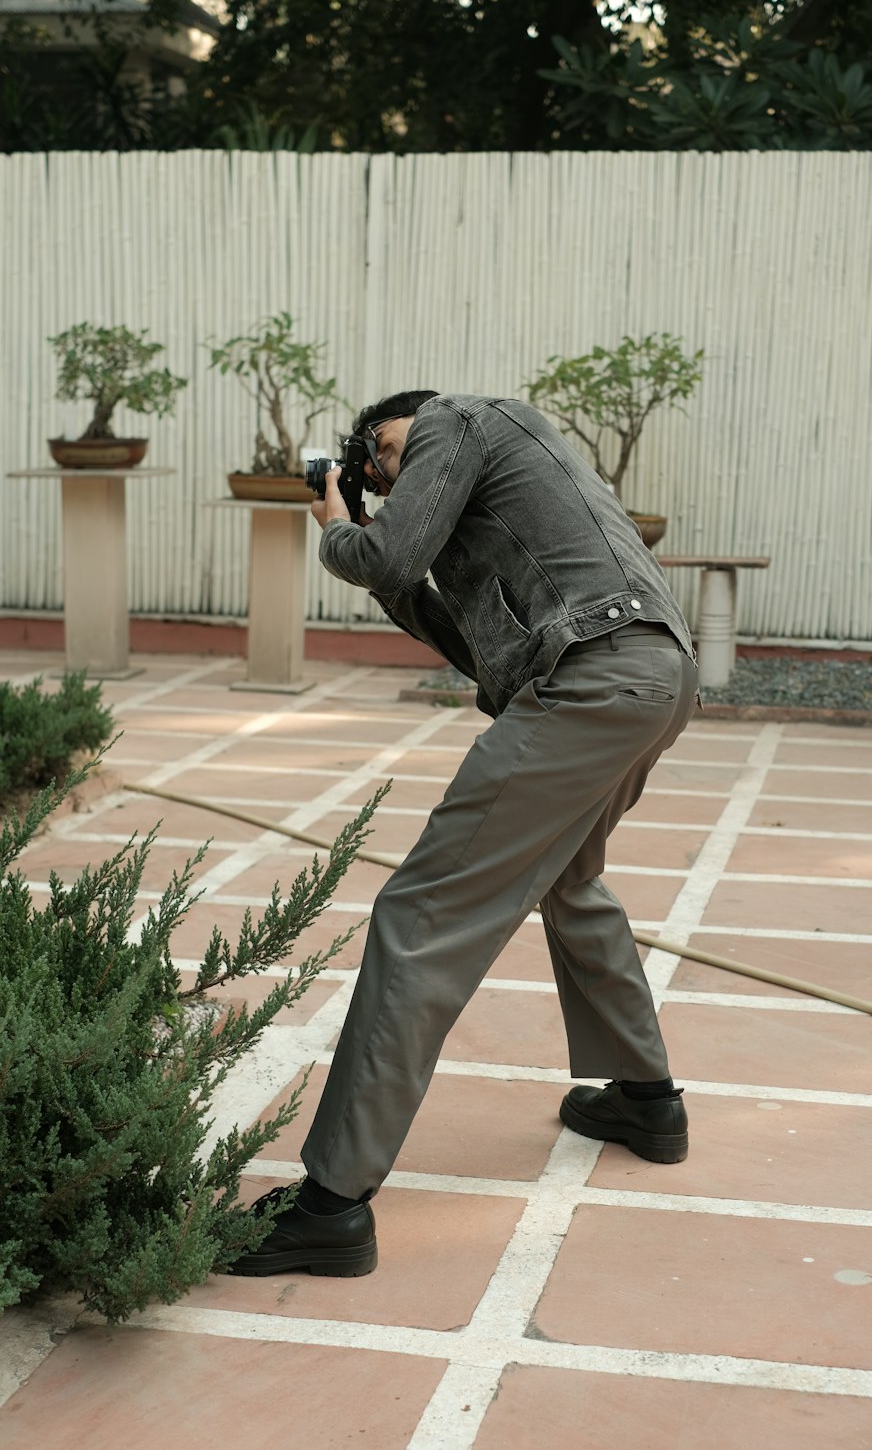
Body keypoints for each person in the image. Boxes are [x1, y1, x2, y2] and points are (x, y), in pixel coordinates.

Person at [229, 391, 699, 1279]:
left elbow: (382, 552)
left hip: (597, 681)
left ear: (409, 425)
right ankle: (646, 1099)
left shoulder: (459, 417)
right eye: (374, 471)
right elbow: (439, 615)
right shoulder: (478, 494)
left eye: (385, 453)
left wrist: (339, 524)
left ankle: (330, 1207)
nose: (386, 473)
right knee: (569, 880)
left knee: (422, 916)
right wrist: (367, 535)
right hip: (655, 675)